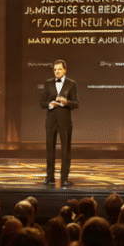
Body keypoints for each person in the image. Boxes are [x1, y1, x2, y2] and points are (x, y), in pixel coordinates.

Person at [40, 58, 79, 187]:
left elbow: (76, 104)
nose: (57, 72)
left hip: (65, 122)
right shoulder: (48, 83)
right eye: (55, 69)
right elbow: (42, 103)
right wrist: (50, 104)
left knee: (65, 151)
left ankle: (64, 178)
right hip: (51, 122)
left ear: (65, 70)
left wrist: (65, 102)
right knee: (50, 151)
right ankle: (49, 177)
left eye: (59, 69)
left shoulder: (71, 84)